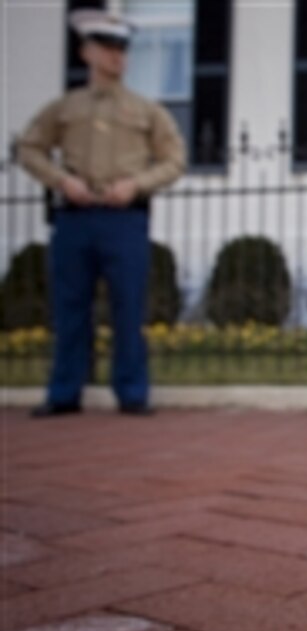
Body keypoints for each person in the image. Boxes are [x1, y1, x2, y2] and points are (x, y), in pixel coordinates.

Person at [18, 9, 186, 417]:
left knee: (129, 308)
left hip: (124, 218)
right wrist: (61, 181)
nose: (117, 57)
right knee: (70, 308)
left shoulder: (147, 111)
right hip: (75, 217)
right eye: (108, 48)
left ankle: (132, 393)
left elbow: (175, 159)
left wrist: (137, 184)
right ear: (87, 52)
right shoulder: (65, 107)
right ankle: (64, 393)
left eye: (122, 50)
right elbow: (28, 148)